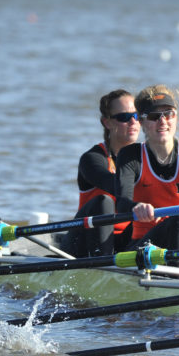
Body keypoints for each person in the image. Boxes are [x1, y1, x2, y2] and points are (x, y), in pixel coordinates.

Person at [114, 85, 179, 251]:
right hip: (144, 247)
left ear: (176, 117)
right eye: (154, 116)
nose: (163, 121)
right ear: (141, 122)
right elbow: (122, 202)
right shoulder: (130, 156)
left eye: (169, 114)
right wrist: (136, 207)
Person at [62, 89, 139, 257]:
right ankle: (102, 264)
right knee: (104, 202)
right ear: (107, 123)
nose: (133, 121)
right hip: (85, 241)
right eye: (124, 117)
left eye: (137, 115)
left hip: (123, 241)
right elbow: (113, 184)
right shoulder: (92, 159)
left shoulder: (144, 159)